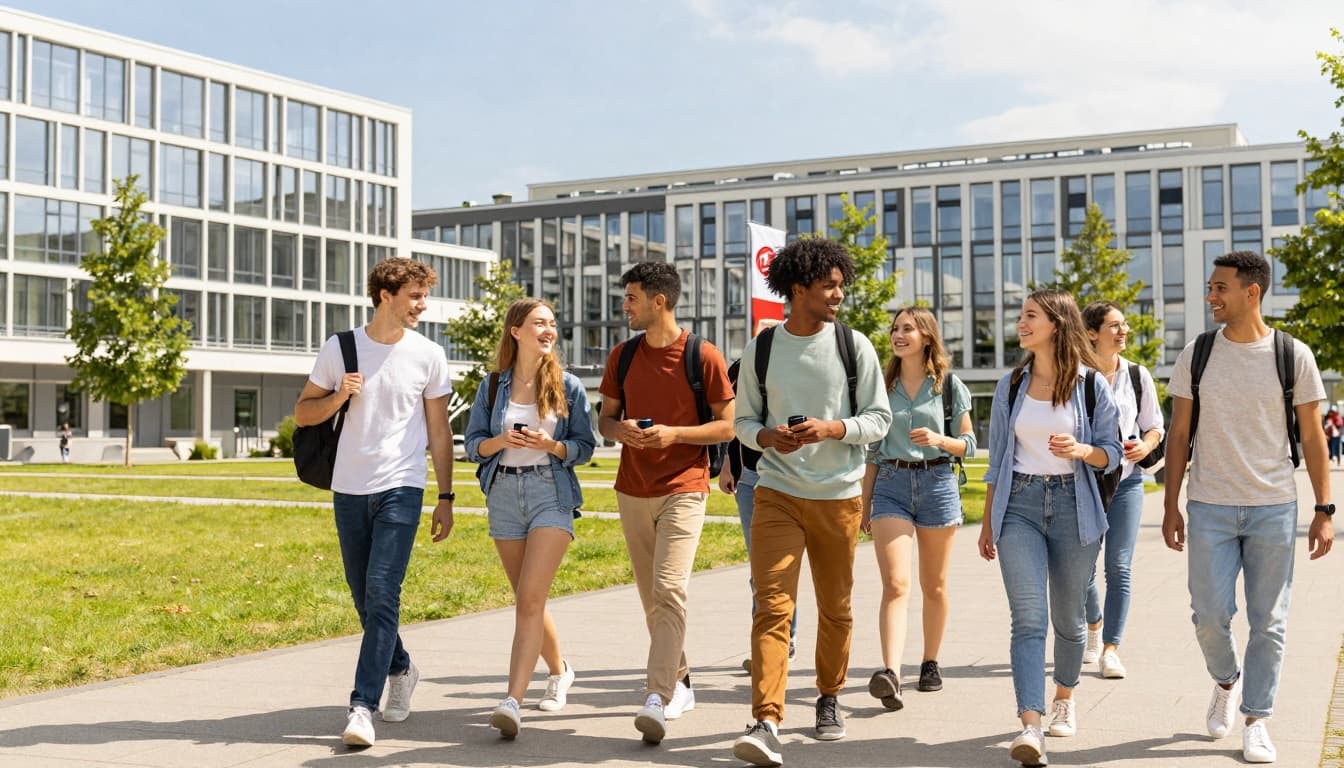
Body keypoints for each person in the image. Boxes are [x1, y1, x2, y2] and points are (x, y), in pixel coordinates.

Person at [1162, 250, 1334, 764]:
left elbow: (1312, 434)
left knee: (1270, 622)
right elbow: (1178, 433)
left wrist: (1324, 510)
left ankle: (1257, 719)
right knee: (1209, 617)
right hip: (1210, 505)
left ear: (1250, 291)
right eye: (1211, 288)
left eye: (1219, 288)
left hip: (1273, 507)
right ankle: (1226, 680)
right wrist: (1170, 504)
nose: (1210, 296)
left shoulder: (1292, 354)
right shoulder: (1197, 353)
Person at [730, 237, 893, 767]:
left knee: (836, 607)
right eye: (830, 285)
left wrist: (833, 427)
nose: (839, 295)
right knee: (772, 606)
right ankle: (766, 719)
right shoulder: (761, 349)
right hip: (777, 492)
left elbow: (878, 418)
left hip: (838, 498)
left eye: (841, 285)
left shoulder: (855, 346)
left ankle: (828, 696)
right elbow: (742, 422)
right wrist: (769, 439)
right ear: (798, 288)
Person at [294, 257, 455, 749]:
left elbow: (438, 431)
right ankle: (402, 668)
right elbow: (303, 414)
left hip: (402, 485)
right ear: (385, 295)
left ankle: (361, 705)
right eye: (414, 297)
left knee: (384, 590)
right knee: (365, 599)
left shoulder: (428, 354)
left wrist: (446, 496)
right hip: (348, 486)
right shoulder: (341, 348)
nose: (422, 306)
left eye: (424, 296)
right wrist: (339, 396)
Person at [977, 289, 1121, 768]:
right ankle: (1030, 724)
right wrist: (986, 521)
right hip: (1018, 505)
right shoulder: (1011, 384)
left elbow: (1112, 452)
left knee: (1069, 619)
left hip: (1072, 505)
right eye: (1020, 316)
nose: (1020, 323)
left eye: (1030, 316)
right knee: (1029, 619)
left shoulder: (1090, 385)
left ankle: (1064, 694)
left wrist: (1082, 451)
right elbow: (997, 458)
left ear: (1057, 324)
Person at [597, 261, 735, 746]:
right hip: (632, 488)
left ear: (659, 301)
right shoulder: (624, 355)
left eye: (631, 297)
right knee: (651, 599)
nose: (625, 305)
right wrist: (622, 431)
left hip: (685, 485)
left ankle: (656, 695)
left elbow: (728, 425)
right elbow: (605, 421)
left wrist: (676, 434)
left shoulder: (703, 355)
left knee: (669, 588)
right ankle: (682, 682)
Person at [465, 299, 596, 739]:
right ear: (516, 330)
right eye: (539, 323)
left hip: (549, 492)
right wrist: (501, 439)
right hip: (503, 493)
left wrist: (552, 445)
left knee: (528, 600)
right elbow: (472, 446)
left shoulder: (569, 386)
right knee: (528, 600)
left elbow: (585, 445)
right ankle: (560, 671)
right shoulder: (492, 385)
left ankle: (511, 701)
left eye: (553, 324)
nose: (549, 330)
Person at [861, 306, 975, 711]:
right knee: (895, 584)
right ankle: (890, 672)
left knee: (934, 585)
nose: (898, 334)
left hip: (938, 483)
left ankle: (929, 662)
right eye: (895, 328)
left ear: (926, 336)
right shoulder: (882, 385)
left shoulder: (948, 385)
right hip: (891, 484)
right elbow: (873, 449)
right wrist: (865, 502)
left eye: (907, 328)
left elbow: (969, 444)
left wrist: (940, 440)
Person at [1080, 302, 1165, 680]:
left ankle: (1111, 648)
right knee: (1081, 569)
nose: (1123, 331)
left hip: (1128, 480)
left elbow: (1155, 425)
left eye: (1125, 324)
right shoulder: (1076, 377)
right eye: (1115, 325)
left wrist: (1146, 446)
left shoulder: (1137, 374)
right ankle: (1094, 627)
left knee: (1119, 566)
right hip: (1085, 481)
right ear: (1093, 333)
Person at [719, 355, 800, 672]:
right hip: (750, 477)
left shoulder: (792, 367)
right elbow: (734, 420)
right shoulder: (738, 370)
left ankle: (779, 640)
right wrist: (730, 462)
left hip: (786, 473)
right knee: (760, 565)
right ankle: (771, 641)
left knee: (778, 566)